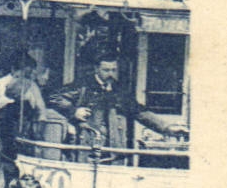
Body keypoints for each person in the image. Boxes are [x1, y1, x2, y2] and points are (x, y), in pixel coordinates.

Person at [50, 57, 186, 149]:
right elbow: (54, 97)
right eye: (106, 70)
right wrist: (73, 111)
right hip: (88, 145)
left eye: (114, 70)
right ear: (96, 69)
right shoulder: (82, 86)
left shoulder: (120, 90)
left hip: (114, 146)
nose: (110, 74)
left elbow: (139, 112)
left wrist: (167, 128)